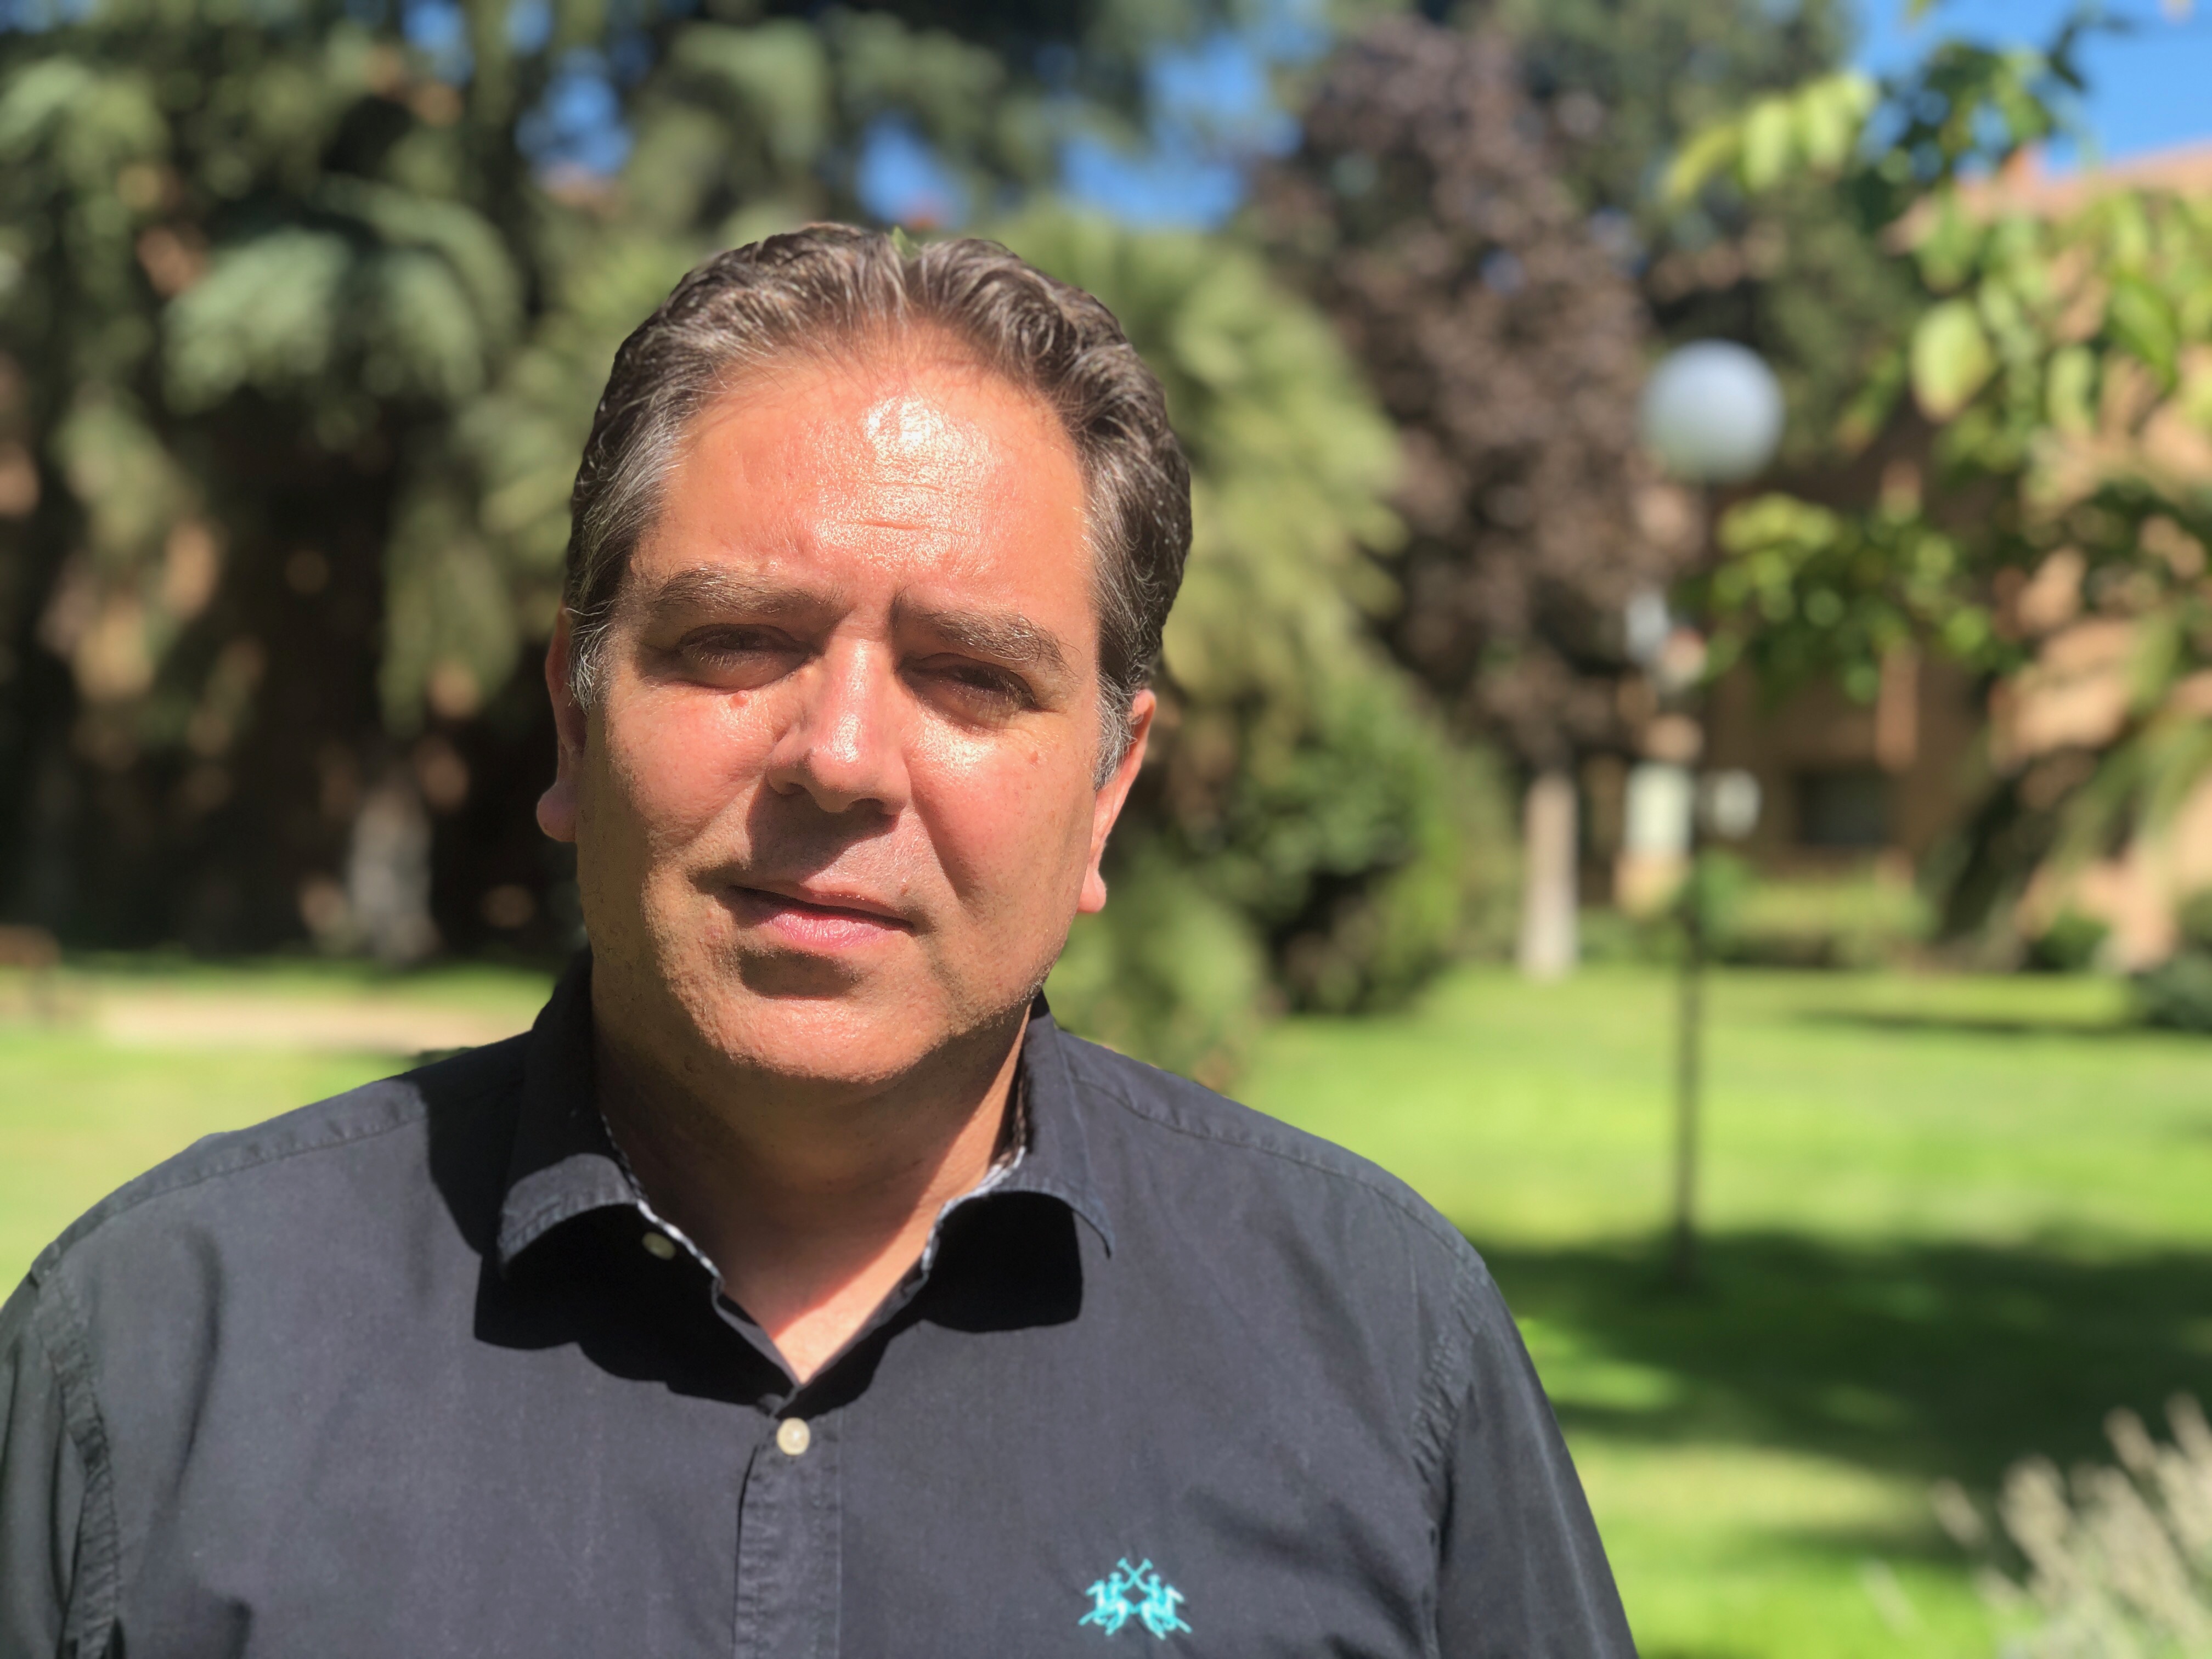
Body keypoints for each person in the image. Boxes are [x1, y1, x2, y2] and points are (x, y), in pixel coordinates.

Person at [0, 226, 1634, 1657]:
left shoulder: (1381, 1350)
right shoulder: (153, 1362)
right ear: (574, 719)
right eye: (737, 642)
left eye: (973, 677)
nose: (841, 759)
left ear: (1107, 791)